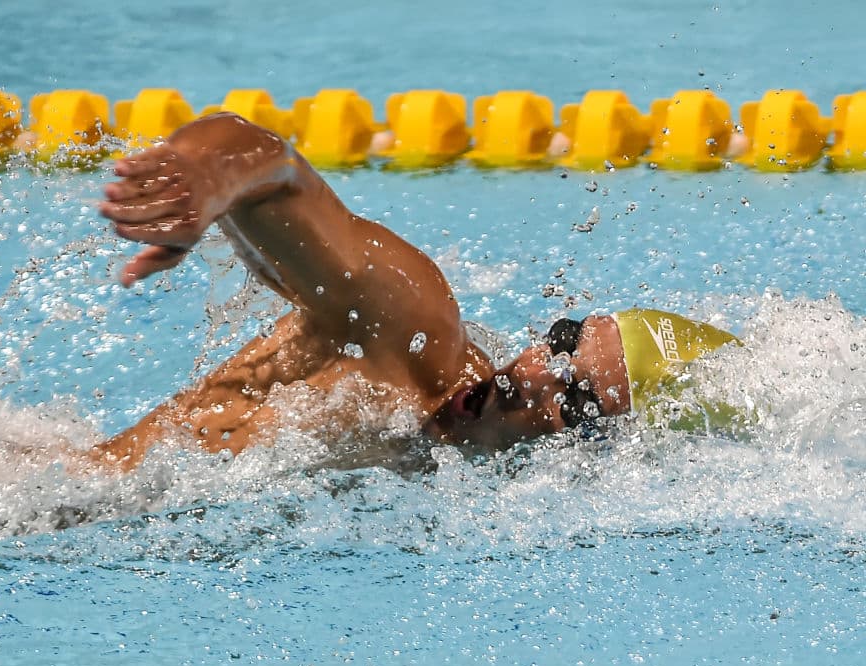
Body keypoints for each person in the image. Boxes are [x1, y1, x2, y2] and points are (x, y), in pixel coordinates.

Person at [91, 113, 740, 472]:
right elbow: (279, 169)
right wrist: (202, 176)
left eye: (575, 400)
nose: (534, 373)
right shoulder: (420, 335)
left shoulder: (450, 465)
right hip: (48, 495)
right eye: (563, 342)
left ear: (603, 451)